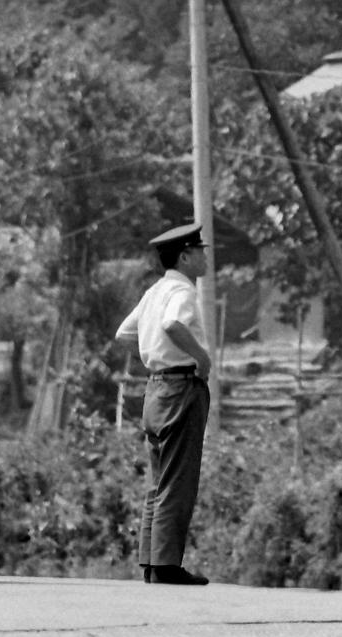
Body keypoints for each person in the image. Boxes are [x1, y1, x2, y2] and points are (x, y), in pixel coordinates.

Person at [116, 222, 213, 586]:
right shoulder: (183, 291)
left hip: (155, 389)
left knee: (158, 481)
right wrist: (200, 359)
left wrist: (152, 355)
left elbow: (124, 334)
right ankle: (168, 566)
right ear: (185, 257)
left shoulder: (154, 291)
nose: (204, 256)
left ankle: (152, 563)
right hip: (181, 387)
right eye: (199, 251)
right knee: (179, 479)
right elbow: (174, 324)